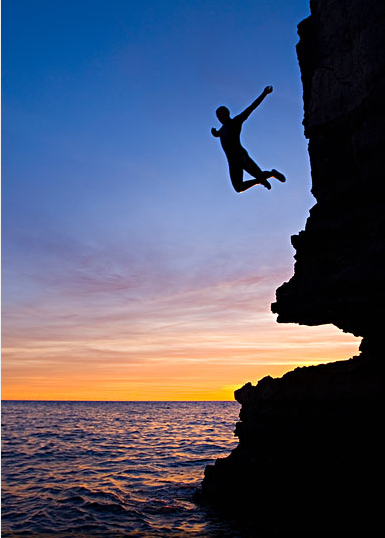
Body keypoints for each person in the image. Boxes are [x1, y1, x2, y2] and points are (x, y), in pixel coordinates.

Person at [211, 86, 286, 193]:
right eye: (218, 116)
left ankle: (272, 174)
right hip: (232, 162)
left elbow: (251, 108)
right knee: (238, 187)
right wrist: (215, 133)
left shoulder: (236, 122)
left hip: (241, 156)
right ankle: (260, 180)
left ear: (227, 114)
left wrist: (264, 93)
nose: (219, 118)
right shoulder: (221, 130)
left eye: (221, 114)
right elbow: (219, 134)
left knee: (259, 175)